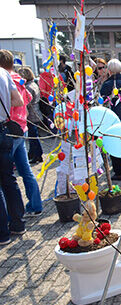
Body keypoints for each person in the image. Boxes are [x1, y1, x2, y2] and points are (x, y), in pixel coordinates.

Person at [0, 55, 44, 218]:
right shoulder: (19, 79)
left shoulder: (6, 79)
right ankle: (35, 205)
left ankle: (14, 214)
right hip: (21, 126)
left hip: (9, 129)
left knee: (7, 176)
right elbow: (29, 99)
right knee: (25, 170)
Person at [0, 50, 27, 245]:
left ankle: (2, 233)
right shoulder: (5, 75)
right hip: (5, 129)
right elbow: (18, 101)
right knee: (9, 178)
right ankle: (17, 223)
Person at [17, 67, 43, 164]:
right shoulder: (33, 84)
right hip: (36, 113)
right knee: (33, 135)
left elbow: (26, 102)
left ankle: (37, 155)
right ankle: (33, 153)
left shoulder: (28, 87)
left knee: (33, 136)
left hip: (31, 114)